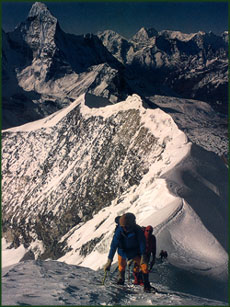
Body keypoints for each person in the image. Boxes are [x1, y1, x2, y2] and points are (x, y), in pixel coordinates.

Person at [104, 213, 153, 292]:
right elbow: (113, 245)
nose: (124, 228)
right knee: (122, 266)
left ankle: (146, 284)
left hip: (133, 252)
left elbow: (142, 243)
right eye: (123, 227)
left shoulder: (137, 230)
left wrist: (143, 255)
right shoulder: (120, 231)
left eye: (126, 227)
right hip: (124, 251)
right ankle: (121, 279)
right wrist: (109, 260)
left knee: (144, 266)